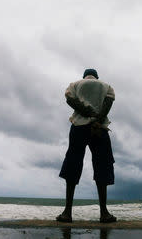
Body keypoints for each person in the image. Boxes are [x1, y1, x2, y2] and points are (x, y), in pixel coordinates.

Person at [57, 68, 117, 223]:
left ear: (84, 76)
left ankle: (67, 213)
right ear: (97, 77)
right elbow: (109, 102)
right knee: (102, 165)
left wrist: (86, 112)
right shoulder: (107, 86)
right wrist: (97, 119)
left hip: (79, 126)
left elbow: (69, 99)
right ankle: (104, 213)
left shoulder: (75, 84)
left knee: (73, 163)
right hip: (100, 128)